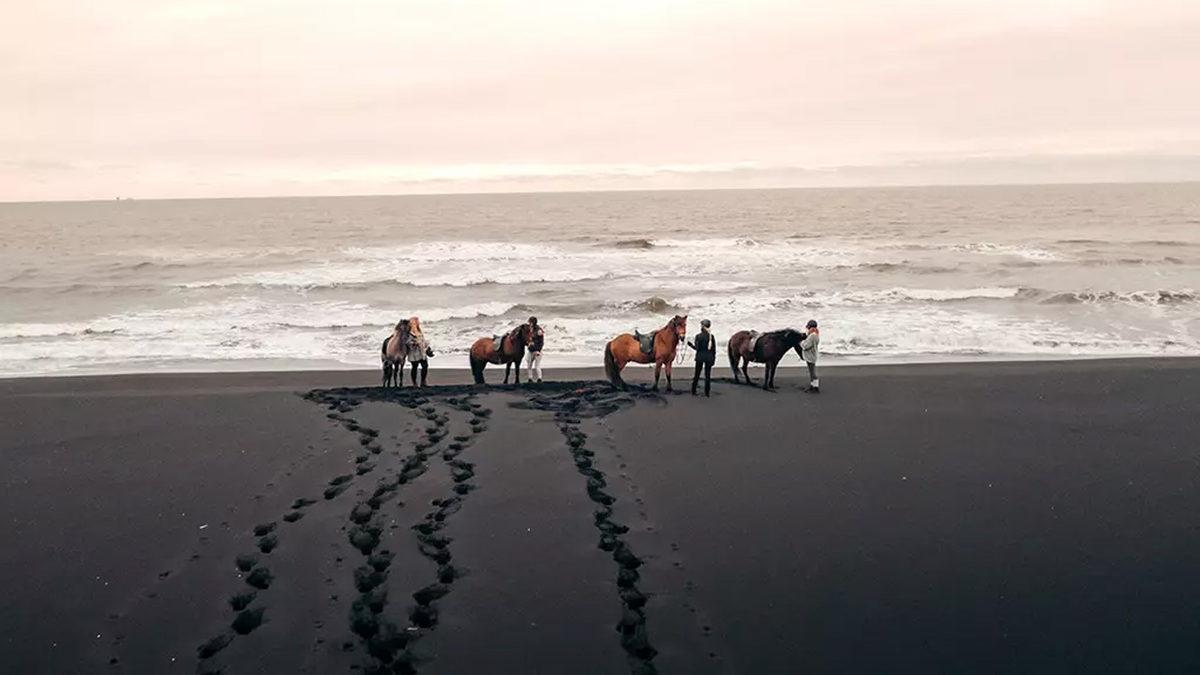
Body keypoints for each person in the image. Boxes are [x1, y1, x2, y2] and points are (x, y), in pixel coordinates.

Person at [688, 319, 716, 396]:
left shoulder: (698, 336)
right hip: (709, 358)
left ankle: (693, 390)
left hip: (700, 357)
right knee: (708, 376)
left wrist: (690, 345)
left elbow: (697, 348)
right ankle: (707, 393)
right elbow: (714, 350)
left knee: (697, 374)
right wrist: (713, 359)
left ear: (703, 326)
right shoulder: (712, 337)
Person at [406, 316, 435, 387]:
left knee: (425, 366)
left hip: (422, 352)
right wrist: (414, 343)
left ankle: (423, 381)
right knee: (414, 367)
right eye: (417, 321)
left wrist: (427, 347)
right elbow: (407, 342)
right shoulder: (409, 333)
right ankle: (414, 383)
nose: (419, 322)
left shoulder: (419, 331)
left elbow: (423, 341)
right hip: (414, 353)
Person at [800, 319, 820, 393]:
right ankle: (813, 386)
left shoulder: (812, 336)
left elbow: (805, 346)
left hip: (810, 356)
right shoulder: (815, 334)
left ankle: (815, 387)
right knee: (812, 371)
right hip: (812, 355)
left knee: (812, 372)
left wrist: (801, 342)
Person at [525, 316, 544, 383]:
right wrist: (528, 344)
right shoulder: (530, 330)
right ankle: (530, 379)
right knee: (529, 365)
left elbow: (541, 342)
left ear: (533, 322)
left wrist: (538, 351)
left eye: (530, 322)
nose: (529, 323)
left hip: (537, 351)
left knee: (537, 366)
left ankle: (539, 379)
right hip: (530, 350)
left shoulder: (539, 331)